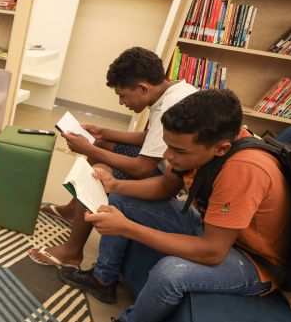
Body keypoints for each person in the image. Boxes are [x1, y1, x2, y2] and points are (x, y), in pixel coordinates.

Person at [61, 89, 291, 322]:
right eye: (168, 145)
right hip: (213, 227)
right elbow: (165, 186)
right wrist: (115, 185)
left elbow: (212, 251)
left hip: (252, 260)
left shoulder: (245, 169)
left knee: (170, 272)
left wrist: (127, 227)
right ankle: (103, 280)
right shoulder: (200, 143)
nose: (168, 156)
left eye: (178, 150)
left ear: (221, 149)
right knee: (121, 199)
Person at [29, 47, 196, 268]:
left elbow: (142, 169)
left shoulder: (170, 105)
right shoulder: (175, 90)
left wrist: (88, 149)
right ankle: (72, 210)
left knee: (97, 173)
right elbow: (152, 138)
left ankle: (72, 252)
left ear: (143, 88)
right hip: (162, 165)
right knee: (101, 143)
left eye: (122, 95)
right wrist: (103, 133)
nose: (121, 103)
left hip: (167, 180)